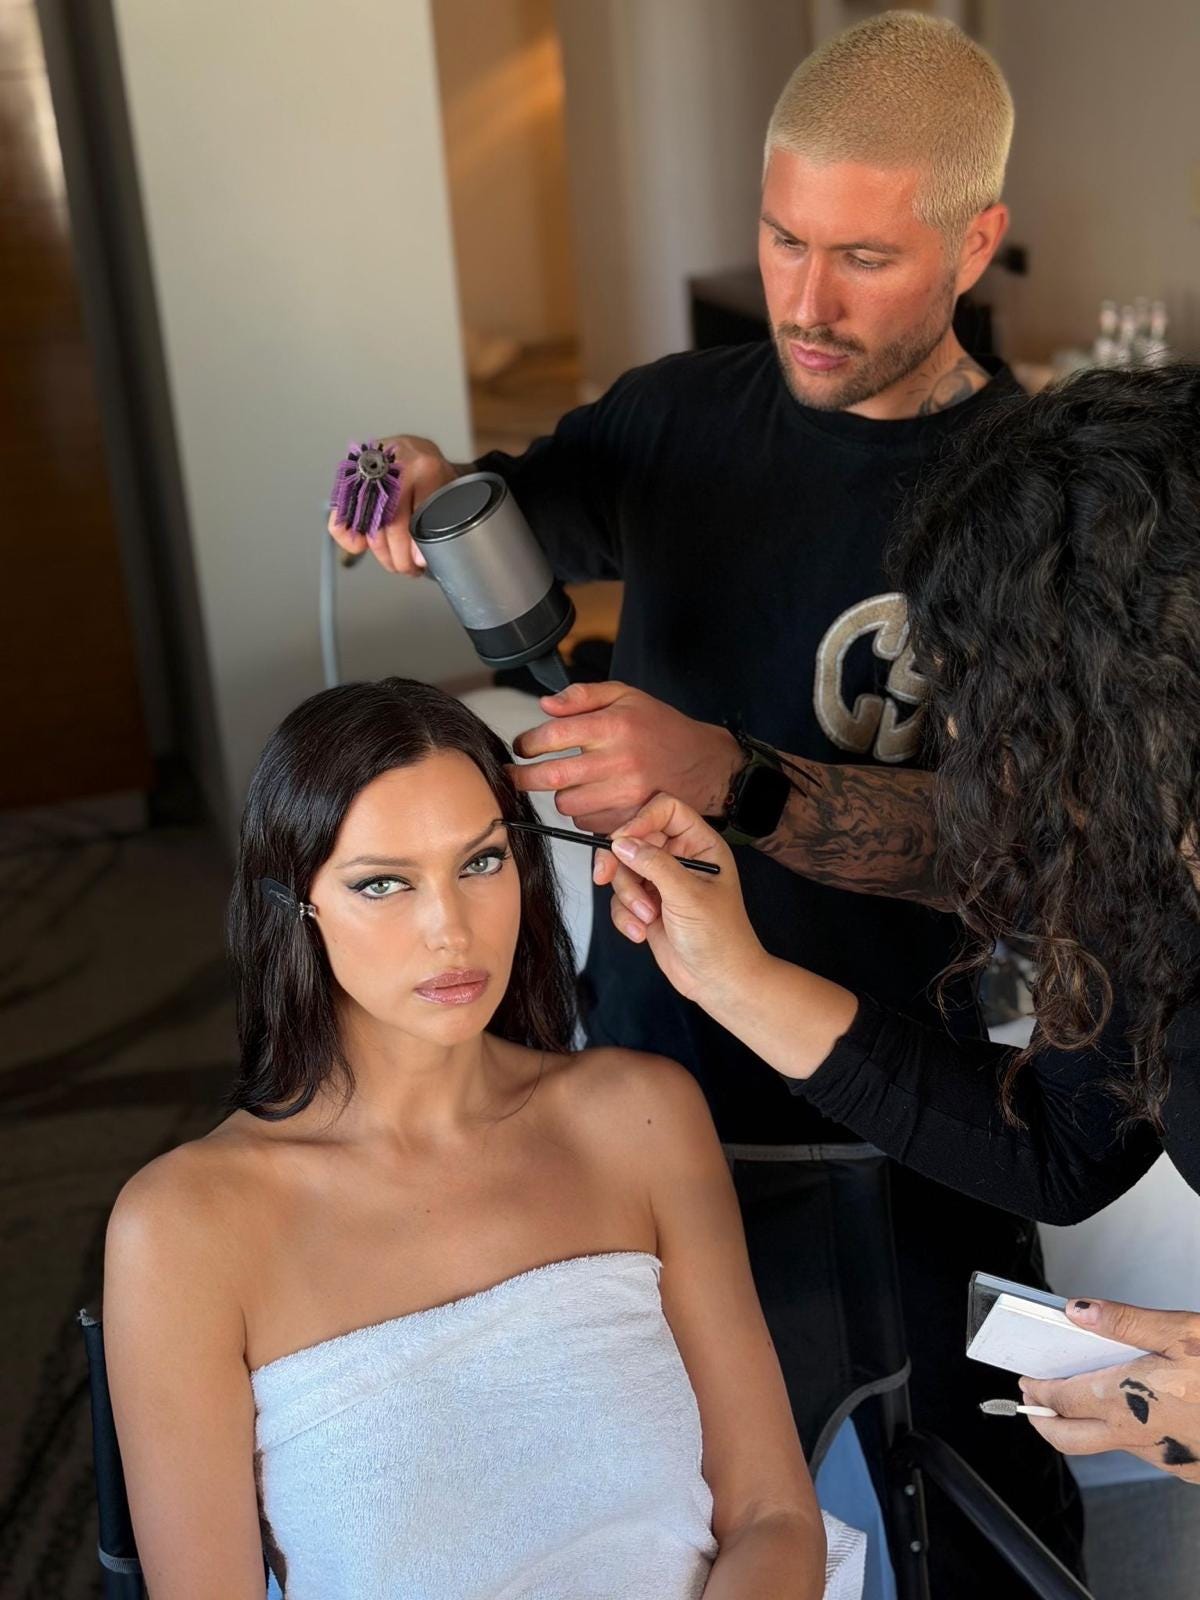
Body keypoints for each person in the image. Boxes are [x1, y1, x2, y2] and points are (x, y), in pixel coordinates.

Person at [328, 11, 1082, 1583]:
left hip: (901, 1091)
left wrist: (727, 776)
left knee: (970, 1494)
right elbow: (515, 509)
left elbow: (1020, 854)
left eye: (865, 259)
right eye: (781, 236)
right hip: (651, 1072)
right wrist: (420, 479)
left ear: (977, 242)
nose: (805, 302)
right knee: (685, 1490)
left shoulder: (1034, 504)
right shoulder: (681, 414)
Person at [102, 678, 865, 1600]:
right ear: (293, 906)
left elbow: (773, 1520)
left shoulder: (641, 1118)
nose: (449, 931)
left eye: (480, 863)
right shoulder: (184, 1227)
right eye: (382, 883)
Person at [595, 362, 1200, 1485]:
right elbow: (1063, 1145)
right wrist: (735, 977)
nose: (969, 742)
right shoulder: (1148, 885)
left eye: (999, 701)